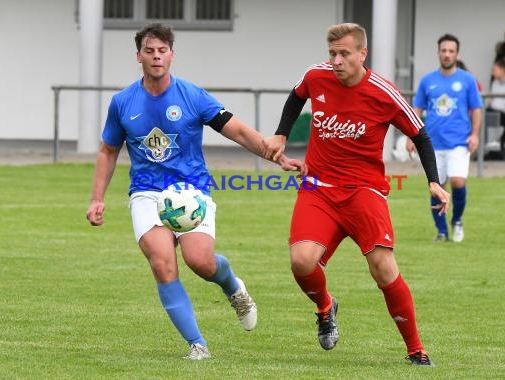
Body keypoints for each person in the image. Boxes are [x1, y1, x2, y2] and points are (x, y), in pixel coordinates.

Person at [85, 23, 304, 361]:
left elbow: (239, 132)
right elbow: (107, 151)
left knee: (199, 262)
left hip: (192, 191)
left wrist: (276, 156)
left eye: (162, 50)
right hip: (147, 193)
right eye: (149, 51)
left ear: (172, 55)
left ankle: (233, 287)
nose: (156, 57)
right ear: (138, 56)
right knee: (162, 263)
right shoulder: (122, 102)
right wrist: (97, 198)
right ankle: (197, 344)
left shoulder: (193, 96)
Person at [263, 23, 450, 366]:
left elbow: (420, 136)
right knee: (301, 261)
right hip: (318, 188)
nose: (336, 61)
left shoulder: (383, 92)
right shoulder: (316, 75)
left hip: (364, 190)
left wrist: (433, 181)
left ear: (362, 54)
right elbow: (297, 96)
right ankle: (325, 307)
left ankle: (415, 350)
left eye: (344, 54)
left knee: (382, 267)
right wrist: (281, 134)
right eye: (332, 53)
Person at [408, 34, 483, 243]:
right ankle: (441, 231)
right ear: (438, 52)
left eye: (451, 51)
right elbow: (416, 109)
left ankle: (457, 220)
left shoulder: (468, 80)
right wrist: (411, 137)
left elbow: (476, 109)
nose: (447, 54)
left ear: (457, 54)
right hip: (432, 143)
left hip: (459, 142)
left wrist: (475, 134)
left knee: (458, 182)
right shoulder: (427, 81)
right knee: (436, 186)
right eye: (444, 51)